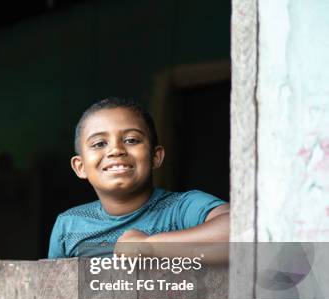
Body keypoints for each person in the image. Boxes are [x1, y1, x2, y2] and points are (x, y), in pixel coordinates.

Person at [48, 97, 229, 259]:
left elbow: (242, 226)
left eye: (131, 140)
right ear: (80, 167)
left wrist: (149, 246)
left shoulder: (181, 209)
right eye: (99, 143)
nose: (116, 150)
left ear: (155, 157)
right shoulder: (69, 225)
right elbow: (52, 289)